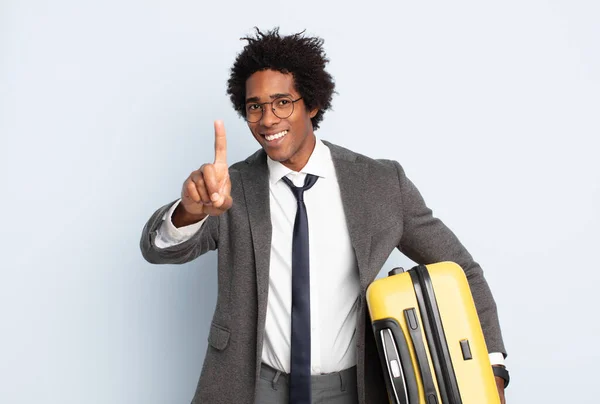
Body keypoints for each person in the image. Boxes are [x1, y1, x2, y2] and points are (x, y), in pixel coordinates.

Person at [140, 27, 509, 404]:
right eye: (255, 106)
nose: (267, 120)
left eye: (282, 102)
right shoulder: (230, 188)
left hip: (353, 390)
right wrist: (190, 210)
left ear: (312, 104)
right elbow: (158, 249)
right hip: (251, 388)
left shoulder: (380, 184)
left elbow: (463, 271)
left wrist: (491, 369)